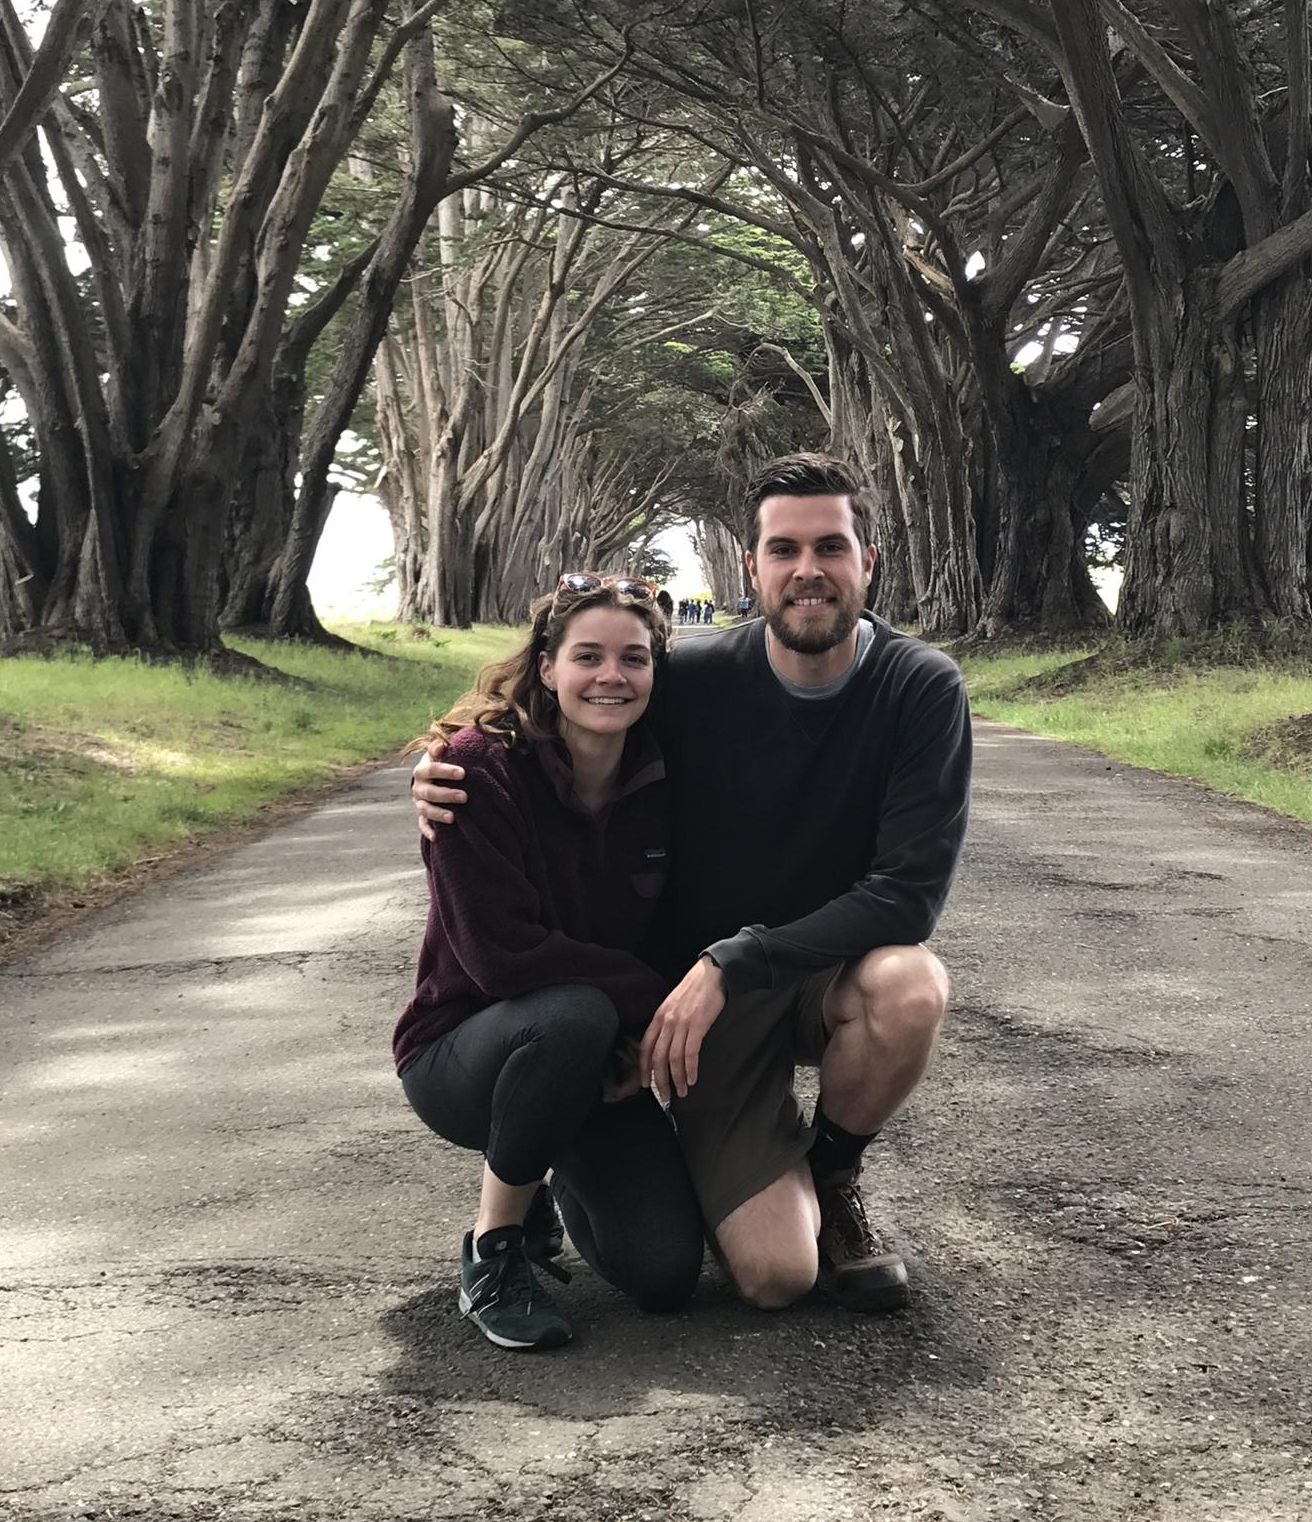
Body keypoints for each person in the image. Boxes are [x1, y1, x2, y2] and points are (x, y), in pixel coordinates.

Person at [413, 454, 970, 1316]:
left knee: (912, 983)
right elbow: (569, 700)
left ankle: (833, 1174)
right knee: (773, 1279)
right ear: (752, 568)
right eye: (784, 549)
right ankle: (591, 1175)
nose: (809, 570)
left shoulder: (920, 687)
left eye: (832, 546)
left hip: (790, 976)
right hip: (698, 1012)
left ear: (870, 560)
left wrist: (728, 962)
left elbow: (908, 897)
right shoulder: (694, 681)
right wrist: (444, 762)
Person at [394, 576, 704, 1351]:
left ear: (655, 675)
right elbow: (504, 960)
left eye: (633, 659)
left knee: (665, 1276)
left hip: (599, 1060)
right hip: (465, 1056)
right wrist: (657, 1009)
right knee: (572, 1011)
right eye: (588, 656)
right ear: (546, 667)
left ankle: (541, 1177)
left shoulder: (671, 779)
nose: (611, 676)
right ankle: (494, 1249)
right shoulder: (474, 771)